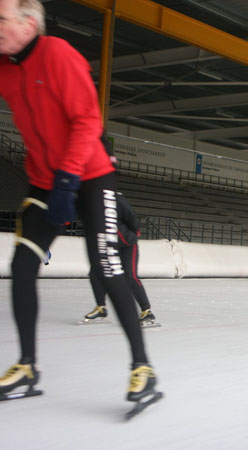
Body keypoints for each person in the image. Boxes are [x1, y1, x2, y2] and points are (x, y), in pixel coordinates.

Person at [0, 0, 159, 407]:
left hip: (90, 175)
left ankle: (142, 367)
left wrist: (69, 179)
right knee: (22, 264)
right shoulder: (5, 67)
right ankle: (27, 365)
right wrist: (55, 183)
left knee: (107, 267)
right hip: (44, 180)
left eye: (1, 19)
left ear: (28, 23)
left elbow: (88, 120)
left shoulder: (57, 55)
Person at [83, 192, 159, 327]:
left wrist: (135, 232)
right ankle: (101, 308)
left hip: (127, 244)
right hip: (108, 245)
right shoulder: (89, 201)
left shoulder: (114, 197)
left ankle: (146, 311)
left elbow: (130, 216)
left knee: (130, 276)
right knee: (95, 273)